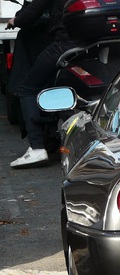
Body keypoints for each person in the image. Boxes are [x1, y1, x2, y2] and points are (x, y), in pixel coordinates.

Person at [8, 0, 77, 168]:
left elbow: (34, 9)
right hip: (96, 40)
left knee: (27, 89)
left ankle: (37, 148)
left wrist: (16, 21)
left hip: (65, 43)